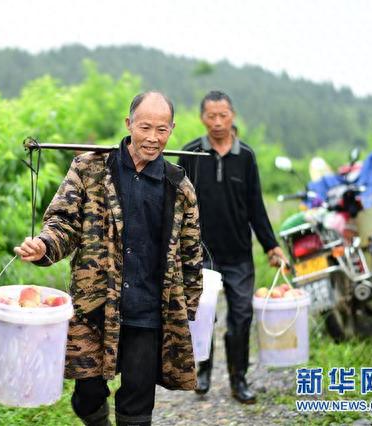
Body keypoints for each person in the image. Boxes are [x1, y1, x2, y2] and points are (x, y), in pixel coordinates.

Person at [15, 91, 203, 426]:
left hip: (148, 310)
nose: (153, 138)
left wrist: (188, 308)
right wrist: (45, 246)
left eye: (162, 130)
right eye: (145, 127)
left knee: (136, 405)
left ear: (172, 129)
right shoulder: (90, 169)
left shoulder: (179, 187)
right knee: (86, 396)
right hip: (94, 304)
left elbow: (191, 252)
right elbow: (64, 222)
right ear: (128, 124)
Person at [178, 90, 287, 404]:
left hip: (239, 253)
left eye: (222, 115)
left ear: (233, 116)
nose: (217, 122)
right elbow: (175, 205)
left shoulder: (246, 156)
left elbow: (256, 206)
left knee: (241, 318)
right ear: (202, 118)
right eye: (211, 116)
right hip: (201, 253)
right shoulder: (191, 154)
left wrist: (271, 246)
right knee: (202, 315)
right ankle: (203, 370)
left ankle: (239, 379)